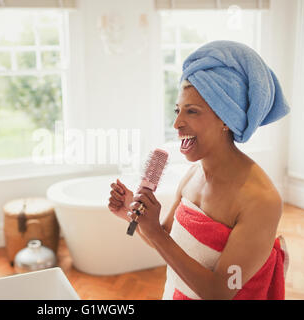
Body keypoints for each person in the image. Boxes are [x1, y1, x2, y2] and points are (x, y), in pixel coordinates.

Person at [108, 40, 290, 300]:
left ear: (226, 119)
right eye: (177, 110)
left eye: (191, 112)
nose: (177, 123)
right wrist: (131, 214)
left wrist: (157, 233)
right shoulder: (193, 175)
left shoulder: (261, 200)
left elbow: (220, 292)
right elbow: (167, 240)